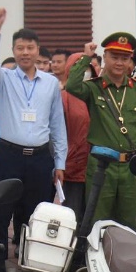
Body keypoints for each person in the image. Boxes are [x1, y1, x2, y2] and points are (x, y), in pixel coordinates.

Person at [0, 11, 66, 272]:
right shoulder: (3, 78)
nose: (25, 52)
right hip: (9, 156)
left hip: (40, 158)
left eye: (30, 48)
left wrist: (59, 162)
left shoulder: (50, 83)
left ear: (38, 51)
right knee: (1, 213)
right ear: (13, 51)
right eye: (20, 48)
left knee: (33, 216)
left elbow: (57, 124)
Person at [66, 33, 136, 228]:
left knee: (129, 222)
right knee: (97, 221)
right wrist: (86, 57)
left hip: (131, 166)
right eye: (114, 57)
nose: (119, 63)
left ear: (130, 60)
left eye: (124, 58)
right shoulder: (94, 88)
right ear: (104, 58)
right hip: (101, 166)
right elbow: (72, 86)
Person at [58, 53, 91, 220]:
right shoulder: (64, 98)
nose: (86, 73)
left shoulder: (96, 95)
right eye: (82, 70)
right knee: (72, 215)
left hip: (94, 166)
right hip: (73, 166)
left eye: (89, 70)